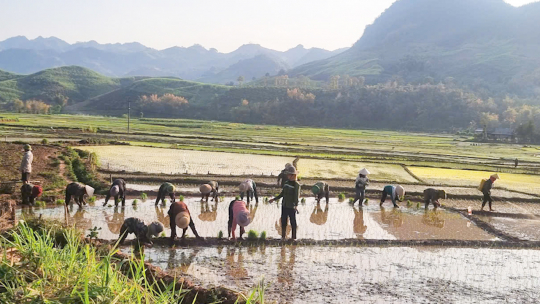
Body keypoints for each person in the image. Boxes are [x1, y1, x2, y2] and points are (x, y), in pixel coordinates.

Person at [270, 166, 300, 240]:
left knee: (293, 222)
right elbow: (282, 194)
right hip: (284, 205)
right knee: (283, 221)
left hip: (291, 206)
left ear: (293, 175)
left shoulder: (296, 185)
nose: (287, 176)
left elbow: (296, 196)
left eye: (289, 174)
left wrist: (295, 205)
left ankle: (294, 238)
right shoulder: (286, 183)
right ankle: (283, 237)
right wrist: (274, 199)